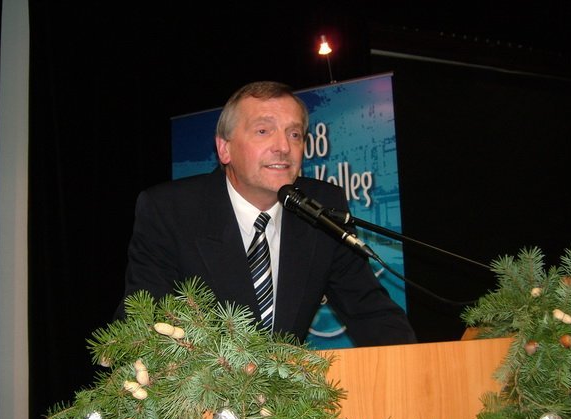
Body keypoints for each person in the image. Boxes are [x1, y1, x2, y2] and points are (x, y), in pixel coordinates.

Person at [116, 80, 417, 347]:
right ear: (224, 149)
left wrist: (418, 371)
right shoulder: (170, 210)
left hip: (289, 390)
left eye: (295, 134)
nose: (283, 146)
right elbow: (142, 320)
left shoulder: (322, 206)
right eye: (263, 131)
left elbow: (372, 313)